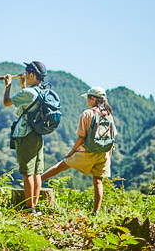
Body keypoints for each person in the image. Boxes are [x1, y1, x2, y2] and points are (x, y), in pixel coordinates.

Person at [41, 86, 117, 214]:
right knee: (98, 181)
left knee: (61, 165)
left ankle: (37, 182)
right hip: (103, 154)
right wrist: (108, 156)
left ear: (93, 98)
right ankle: (96, 212)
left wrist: (71, 153)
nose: (87, 100)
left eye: (88, 98)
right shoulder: (108, 114)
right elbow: (112, 138)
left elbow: (81, 138)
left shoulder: (87, 114)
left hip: (87, 153)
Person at [3, 61, 48, 213]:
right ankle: (34, 206)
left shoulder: (28, 93)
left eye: (27, 73)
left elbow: (6, 102)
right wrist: (23, 86)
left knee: (27, 172)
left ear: (32, 75)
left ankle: (30, 209)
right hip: (37, 134)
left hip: (25, 134)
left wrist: (8, 85)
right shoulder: (41, 92)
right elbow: (28, 107)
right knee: (37, 172)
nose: (25, 75)